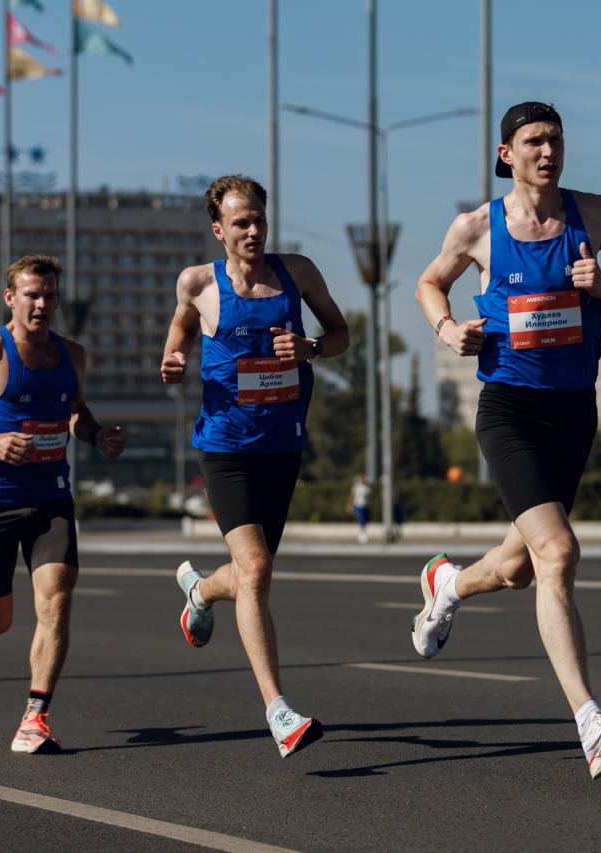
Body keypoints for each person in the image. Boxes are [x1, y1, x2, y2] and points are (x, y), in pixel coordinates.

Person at [410, 102, 601, 781]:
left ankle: (448, 583)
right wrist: (447, 328)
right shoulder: (477, 227)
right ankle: (590, 722)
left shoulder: (597, 215)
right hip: (510, 410)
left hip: (574, 413)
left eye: (556, 139)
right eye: (533, 141)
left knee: (521, 569)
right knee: (559, 551)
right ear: (506, 154)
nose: (548, 151)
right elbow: (430, 282)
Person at [160, 175, 349, 758]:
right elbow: (182, 326)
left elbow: (342, 334)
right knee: (258, 569)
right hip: (224, 448)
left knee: (248, 576)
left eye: (259, 220)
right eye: (240, 222)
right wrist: (173, 356)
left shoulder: (299, 273)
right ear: (219, 230)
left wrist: (312, 348)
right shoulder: (198, 282)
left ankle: (199, 590)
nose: (253, 231)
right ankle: (279, 710)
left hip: (282, 446)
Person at [0, 253, 127, 754]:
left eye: (50, 296)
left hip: (52, 496)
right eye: (32, 295)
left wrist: (97, 434)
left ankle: (35, 717)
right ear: (10, 298)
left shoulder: (72, 355)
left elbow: (74, 413)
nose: (42, 304)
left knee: (56, 599)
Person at [347, 474, 372, 543]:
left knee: (367, 519)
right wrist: (350, 504)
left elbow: (370, 493)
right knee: (362, 519)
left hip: (365, 506)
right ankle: (361, 534)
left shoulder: (366, 488)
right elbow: (352, 496)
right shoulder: (356, 487)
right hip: (358, 505)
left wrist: (368, 483)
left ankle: (361, 531)